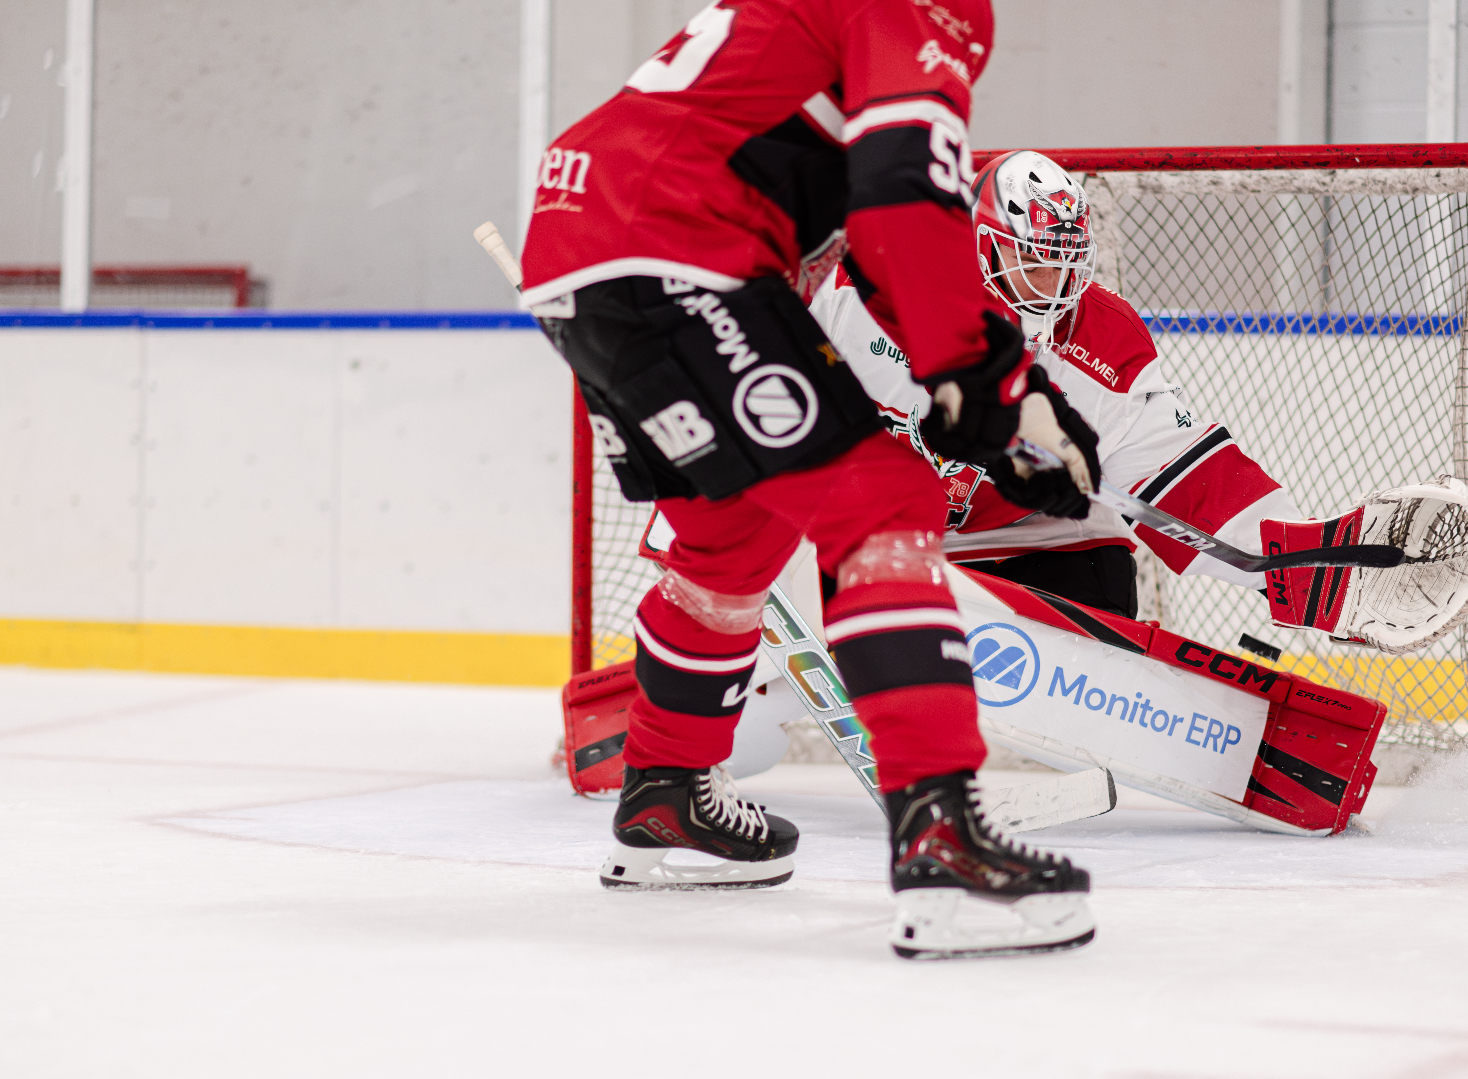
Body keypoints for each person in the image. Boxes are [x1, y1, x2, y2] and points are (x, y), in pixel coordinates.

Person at [519, 1, 1096, 958]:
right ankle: (943, 840)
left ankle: (667, 791)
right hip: (675, 242)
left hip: (585, 237)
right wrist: (983, 375)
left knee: (729, 529)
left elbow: (874, 238)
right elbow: (906, 189)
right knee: (882, 504)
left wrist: (1001, 391)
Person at [809, 149, 1306, 620]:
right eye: (1034, 260)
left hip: (1028, 534)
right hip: (871, 534)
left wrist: (1296, 563)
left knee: (1097, 561)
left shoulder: (1100, 335)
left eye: (1067, 262)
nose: (1055, 286)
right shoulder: (853, 293)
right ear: (978, 245)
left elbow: (1181, 473)